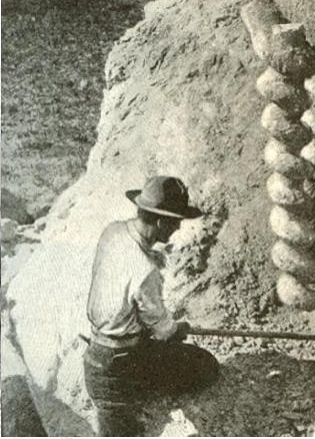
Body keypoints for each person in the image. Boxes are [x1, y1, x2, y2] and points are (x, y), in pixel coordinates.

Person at [84, 175, 219, 436]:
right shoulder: (145, 271)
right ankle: (139, 391)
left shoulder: (112, 231)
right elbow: (163, 330)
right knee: (206, 367)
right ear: (160, 222)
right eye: (176, 223)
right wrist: (178, 328)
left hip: (96, 355)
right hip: (120, 369)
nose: (177, 229)